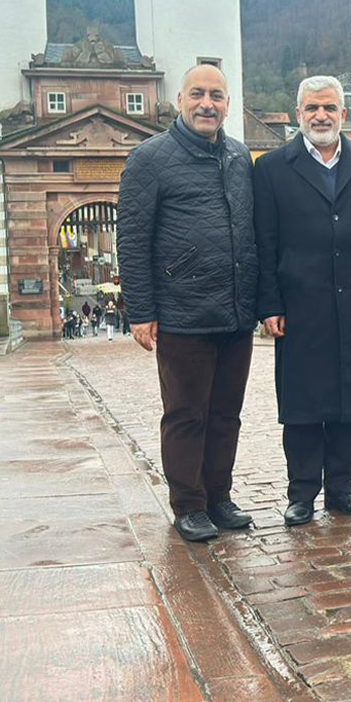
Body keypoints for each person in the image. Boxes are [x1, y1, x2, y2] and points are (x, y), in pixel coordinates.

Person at [117, 63, 258, 542]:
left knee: (226, 413)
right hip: (183, 311)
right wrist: (141, 310)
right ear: (179, 100)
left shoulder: (239, 156)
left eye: (216, 96)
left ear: (228, 104)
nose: (207, 104)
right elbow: (133, 239)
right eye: (198, 94)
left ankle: (219, 495)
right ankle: (188, 504)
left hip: (235, 311)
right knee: (185, 413)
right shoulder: (149, 158)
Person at [253, 76, 351, 527]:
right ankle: (301, 493)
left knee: (348, 400)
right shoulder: (273, 168)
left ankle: (342, 488)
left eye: (329, 108)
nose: (321, 115)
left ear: (344, 114)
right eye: (312, 108)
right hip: (300, 305)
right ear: (299, 114)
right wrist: (269, 303)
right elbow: (265, 242)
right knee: (302, 404)